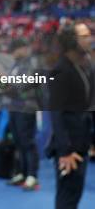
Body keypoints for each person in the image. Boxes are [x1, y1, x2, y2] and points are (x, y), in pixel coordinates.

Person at [46, 22, 93, 209]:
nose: (90, 39)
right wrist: (64, 151)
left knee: (74, 194)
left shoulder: (82, 66)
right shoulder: (62, 69)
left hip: (80, 143)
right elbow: (56, 112)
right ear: (72, 41)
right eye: (84, 36)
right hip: (68, 148)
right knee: (67, 197)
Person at [5, 38, 40, 191]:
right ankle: (22, 172)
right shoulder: (16, 64)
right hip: (14, 107)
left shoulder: (32, 63)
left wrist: (9, 87)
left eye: (14, 50)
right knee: (18, 141)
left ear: (22, 48)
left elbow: (24, 84)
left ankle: (32, 176)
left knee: (27, 142)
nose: (12, 54)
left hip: (26, 108)